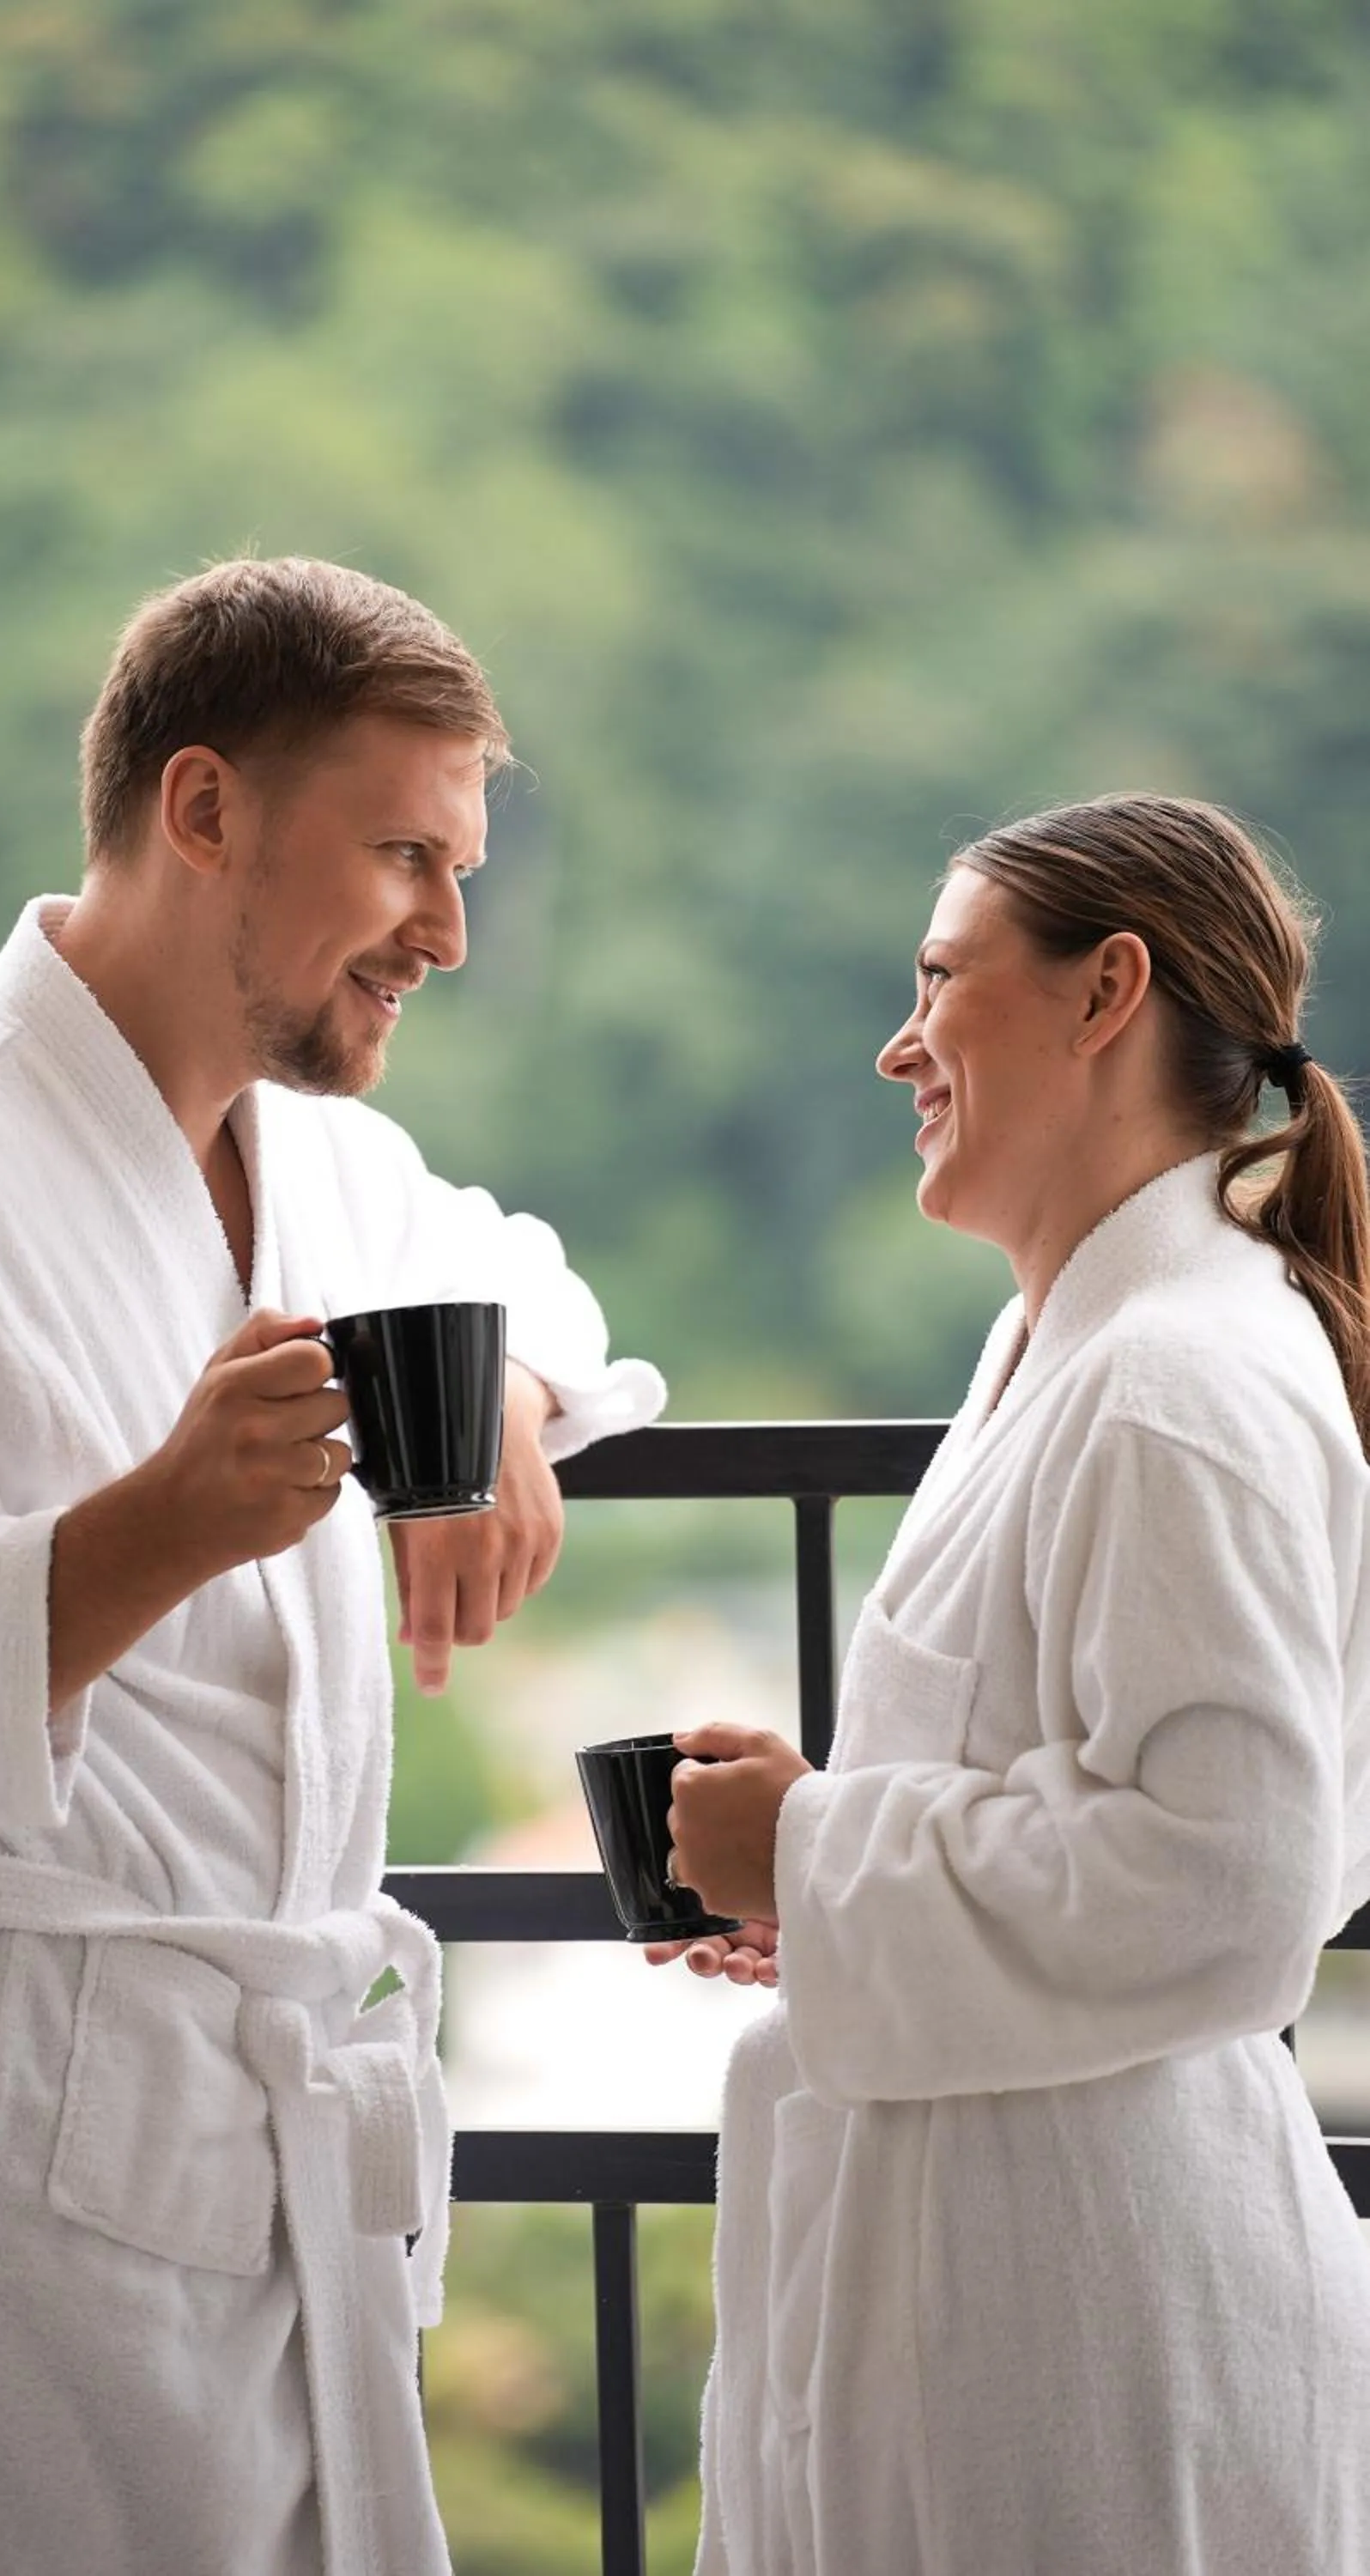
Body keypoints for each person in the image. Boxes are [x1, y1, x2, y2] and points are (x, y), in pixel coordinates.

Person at [0, 556, 664, 2576]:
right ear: (202, 812)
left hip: (235, 2168)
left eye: (457, 866)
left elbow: (523, 1268)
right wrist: (150, 1530)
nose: (445, 931)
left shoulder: (310, 1160)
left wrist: (528, 1404)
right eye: (401, 856)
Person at [655, 795, 1370, 2575]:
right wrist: (818, 1867)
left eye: (942, 979)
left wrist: (820, 1852)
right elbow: (1088, 1774)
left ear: (1104, 991)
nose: (899, 1041)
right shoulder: (1074, 1339)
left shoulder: (1175, 1381)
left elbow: (1235, 1878)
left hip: (1089, 2324)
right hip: (1017, 2282)